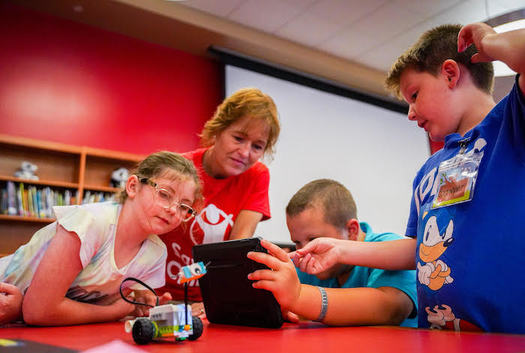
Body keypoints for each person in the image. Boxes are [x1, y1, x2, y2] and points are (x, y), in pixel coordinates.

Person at [291, 23, 525, 333]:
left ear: (450, 74)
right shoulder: (429, 171)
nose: (410, 113)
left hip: (507, 337)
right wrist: (341, 249)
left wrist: (492, 41)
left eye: (414, 95)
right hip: (438, 335)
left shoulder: (512, 126)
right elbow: (416, 248)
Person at [0, 151, 202, 326]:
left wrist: (140, 304)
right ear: (132, 186)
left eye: (184, 206)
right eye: (165, 194)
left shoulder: (156, 253)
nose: (173, 210)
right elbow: (39, 311)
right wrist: (116, 312)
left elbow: (95, 301)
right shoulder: (91, 222)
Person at [158, 88, 280, 303]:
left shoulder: (257, 176)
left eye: (257, 146)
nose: (245, 152)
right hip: (158, 293)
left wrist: (214, 301)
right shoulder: (177, 169)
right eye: (238, 138)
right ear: (218, 130)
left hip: (208, 298)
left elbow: (236, 249)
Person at [247, 179, 417, 326]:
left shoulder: (390, 247)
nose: (303, 252)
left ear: (351, 230)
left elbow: (392, 309)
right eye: (297, 242)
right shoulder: (302, 262)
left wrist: (299, 297)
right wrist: (276, 308)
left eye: (314, 241)